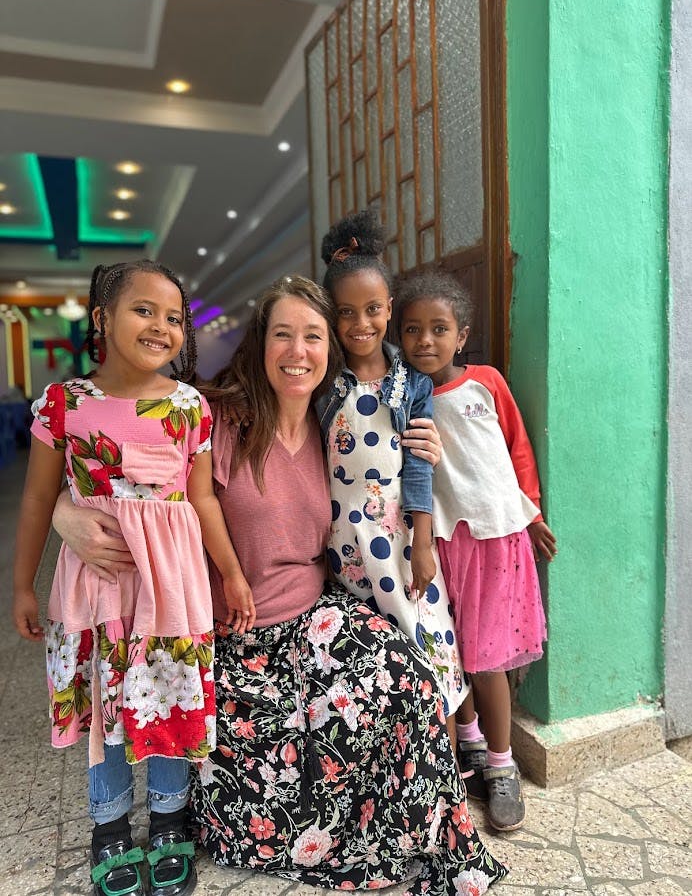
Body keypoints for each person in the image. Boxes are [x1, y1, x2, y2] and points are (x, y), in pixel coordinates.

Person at [52, 275, 508, 895]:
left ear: (331, 351)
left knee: (411, 681)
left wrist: (425, 443)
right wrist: (62, 509)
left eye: (314, 337)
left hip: (313, 615)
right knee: (268, 796)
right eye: (283, 335)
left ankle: (410, 835)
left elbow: (415, 400)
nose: (299, 351)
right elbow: (124, 460)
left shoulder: (335, 425)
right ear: (260, 344)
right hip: (231, 640)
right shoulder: (215, 417)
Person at [12, 260, 250, 896]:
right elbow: (38, 499)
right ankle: (109, 826)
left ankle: (171, 818)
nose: (162, 327)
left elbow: (201, 500)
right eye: (144, 310)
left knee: (166, 694)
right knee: (103, 702)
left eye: (174, 318)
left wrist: (229, 572)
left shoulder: (190, 407)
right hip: (93, 589)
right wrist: (20, 585)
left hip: (170, 588)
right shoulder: (65, 405)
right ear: (103, 319)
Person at [395, 269, 557, 833]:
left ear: (461, 335)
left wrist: (531, 512)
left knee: (486, 656)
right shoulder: (403, 395)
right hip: (437, 543)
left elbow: (517, 448)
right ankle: (467, 740)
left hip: (496, 537)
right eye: (412, 329)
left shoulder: (486, 382)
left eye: (438, 329)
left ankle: (502, 764)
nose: (425, 341)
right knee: (453, 646)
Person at [316, 211, 467, 736]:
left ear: (389, 309)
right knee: (379, 666)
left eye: (374, 309)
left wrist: (422, 543)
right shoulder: (323, 381)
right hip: (344, 543)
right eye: (346, 312)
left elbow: (418, 469)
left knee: (428, 647)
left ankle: (446, 780)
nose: (362, 324)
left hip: (403, 539)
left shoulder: (409, 380)